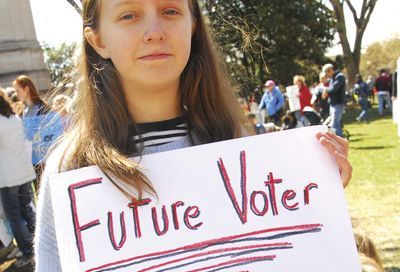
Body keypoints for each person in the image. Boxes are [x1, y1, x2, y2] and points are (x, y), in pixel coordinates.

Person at [34, 1, 352, 271]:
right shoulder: (71, 166)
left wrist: (319, 194)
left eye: (170, 10)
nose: (154, 31)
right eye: (128, 15)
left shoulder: (237, 143)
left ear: (193, 26)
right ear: (97, 39)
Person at [0, 92, 36, 268]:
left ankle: (28, 251)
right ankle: (34, 246)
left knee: (15, 217)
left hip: (8, 177)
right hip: (23, 173)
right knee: (27, 212)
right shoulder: (13, 118)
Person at [321, 63, 346, 137]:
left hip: (338, 103)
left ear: (331, 70)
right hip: (333, 104)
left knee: (335, 124)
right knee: (334, 123)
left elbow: (334, 88)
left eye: (327, 73)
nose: (327, 75)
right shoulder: (333, 78)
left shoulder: (340, 77)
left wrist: (326, 90)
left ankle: (339, 142)